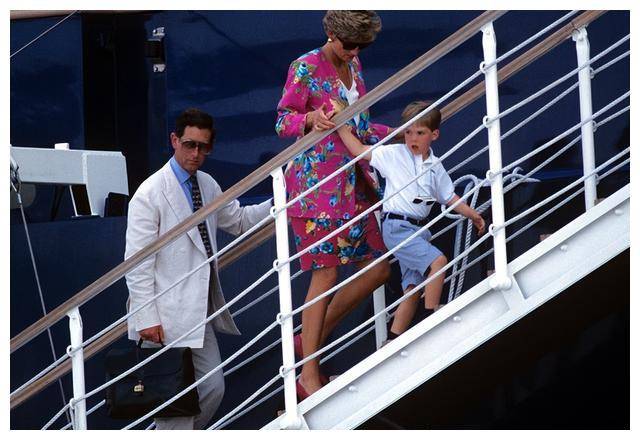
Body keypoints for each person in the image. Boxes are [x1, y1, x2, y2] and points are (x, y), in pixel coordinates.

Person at [124, 108, 272, 429]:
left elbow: (238, 220)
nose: (195, 154)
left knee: (212, 387)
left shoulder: (206, 184)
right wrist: (146, 317)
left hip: (197, 312)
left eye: (203, 147)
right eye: (190, 144)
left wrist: (279, 202)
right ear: (174, 140)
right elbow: (137, 263)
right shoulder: (150, 193)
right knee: (173, 399)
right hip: (164, 315)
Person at [275, 10, 392, 399]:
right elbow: (283, 122)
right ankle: (308, 375)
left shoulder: (354, 66)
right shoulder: (306, 66)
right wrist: (310, 118)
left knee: (377, 269)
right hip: (317, 189)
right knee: (325, 276)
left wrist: (398, 133)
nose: (354, 52)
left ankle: (312, 335)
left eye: (361, 46)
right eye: (349, 44)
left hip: (355, 185)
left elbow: (359, 125)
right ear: (331, 34)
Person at [335, 100, 485, 341]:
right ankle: (432, 316)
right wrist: (341, 125)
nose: (413, 138)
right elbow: (359, 149)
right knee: (438, 261)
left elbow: (449, 197)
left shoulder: (435, 166)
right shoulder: (393, 155)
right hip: (396, 227)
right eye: (408, 132)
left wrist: (473, 215)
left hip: (418, 231)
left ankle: (392, 339)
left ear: (434, 135)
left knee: (412, 287)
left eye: (420, 133)